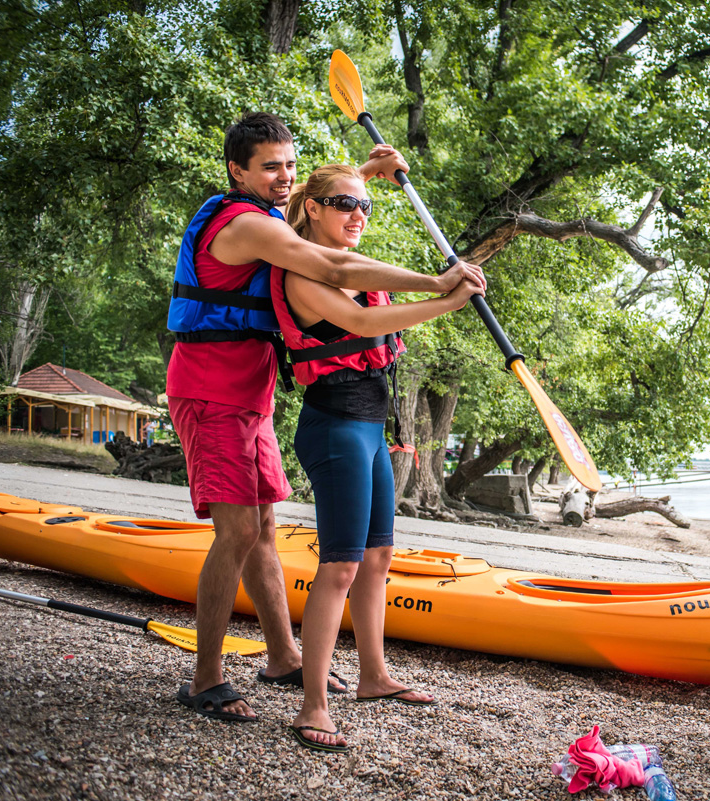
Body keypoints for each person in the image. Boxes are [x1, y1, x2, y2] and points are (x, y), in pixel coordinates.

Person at [167, 112, 486, 723]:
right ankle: (205, 679)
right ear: (237, 171)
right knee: (236, 531)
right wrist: (437, 283)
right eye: (270, 167)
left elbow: (312, 214)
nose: (284, 177)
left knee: (262, 526)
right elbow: (334, 268)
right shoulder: (239, 223)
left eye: (290, 164)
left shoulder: (267, 215)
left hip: (251, 389)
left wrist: (359, 179)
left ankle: (284, 656)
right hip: (210, 390)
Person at [269, 164, 483, 752]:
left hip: (368, 428)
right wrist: (444, 294)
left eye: (365, 204)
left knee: (379, 556)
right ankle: (313, 704)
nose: (358, 214)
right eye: (344, 204)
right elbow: (362, 322)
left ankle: (373, 676)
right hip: (334, 427)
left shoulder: (355, 264)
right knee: (339, 566)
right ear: (313, 209)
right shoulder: (299, 272)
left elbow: (368, 299)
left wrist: (368, 173)